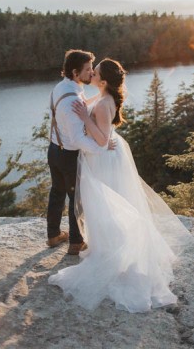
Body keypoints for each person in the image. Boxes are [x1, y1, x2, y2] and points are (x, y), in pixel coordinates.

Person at [48, 58, 192, 313]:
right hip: (108, 155)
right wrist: (85, 106)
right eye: (91, 70)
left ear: (102, 82)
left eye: (96, 72)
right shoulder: (103, 98)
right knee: (107, 204)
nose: (91, 73)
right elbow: (98, 112)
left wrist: (84, 117)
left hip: (103, 158)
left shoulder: (104, 104)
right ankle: (107, 245)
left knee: (105, 204)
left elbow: (102, 140)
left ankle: (112, 250)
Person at [46, 49, 111, 256]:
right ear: (75, 72)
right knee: (76, 197)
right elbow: (77, 140)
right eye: (88, 69)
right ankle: (76, 242)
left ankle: (53, 235)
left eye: (92, 69)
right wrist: (101, 147)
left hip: (54, 149)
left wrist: (96, 98)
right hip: (68, 156)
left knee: (57, 191)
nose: (92, 73)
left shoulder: (62, 87)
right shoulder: (72, 100)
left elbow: (80, 102)